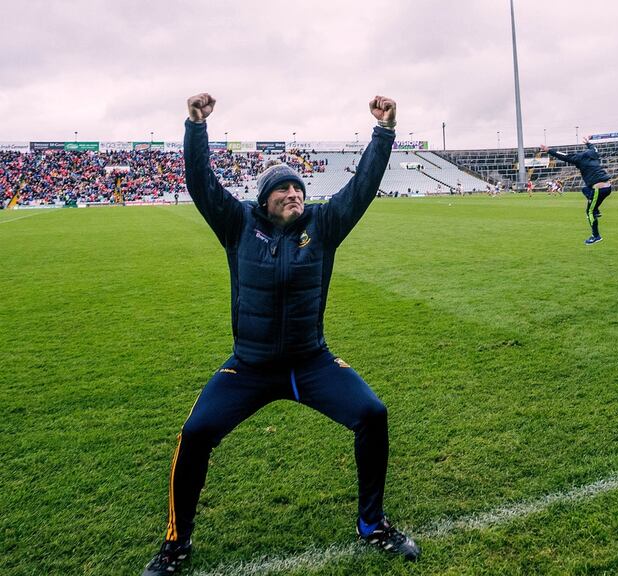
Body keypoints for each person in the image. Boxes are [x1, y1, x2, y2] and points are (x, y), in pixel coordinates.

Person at [141, 93, 419, 576]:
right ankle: (175, 543)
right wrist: (196, 126)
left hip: (311, 363)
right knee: (196, 432)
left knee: (372, 414)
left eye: (298, 188)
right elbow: (201, 183)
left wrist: (384, 131)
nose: (294, 194)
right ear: (263, 199)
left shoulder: (324, 226)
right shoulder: (237, 225)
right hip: (248, 367)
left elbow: (363, 187)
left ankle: (372, 525)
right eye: (283, 189)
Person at [541, 137, 613, 245]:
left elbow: (563, 156)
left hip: (599, 189)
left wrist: (549, 150)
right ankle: (596, 210)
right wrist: (588, 142)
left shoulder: (579, 158)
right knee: (585, 189)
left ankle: (596, 236)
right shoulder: (593, 154)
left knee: (589, 212)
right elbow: (593, 148)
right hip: (607, 187)